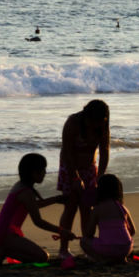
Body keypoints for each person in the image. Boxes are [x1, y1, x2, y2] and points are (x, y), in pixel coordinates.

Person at [0, 153, 74, 264]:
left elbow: (33, 205)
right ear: (33, 173)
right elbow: (38, 222)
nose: (45, 172)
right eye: (43, 169)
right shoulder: (26, 192)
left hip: (3, 233)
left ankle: (4, 250)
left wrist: (55, 199)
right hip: (6, 235)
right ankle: (3, 251)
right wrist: (62, 231)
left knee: (39, 257)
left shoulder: (21, 185)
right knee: (42, 258)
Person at [56, 99, 110, 263]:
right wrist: (74, 177)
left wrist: (100, 176)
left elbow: (104, 150)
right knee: (70, 207)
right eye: (94, 122)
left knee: (88, 209)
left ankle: (88, 246)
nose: (96, 126)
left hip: (89, 169)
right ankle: (63, 249)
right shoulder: (72, 123)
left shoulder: (102, 124)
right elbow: (66, 151)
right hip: (69, 167)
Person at [81, 174, 136, 264]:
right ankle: (121, 258)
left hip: (108, 248)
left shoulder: (97, 209)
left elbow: (89, 233)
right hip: (126, 248)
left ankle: (101, 259)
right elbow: (133, 231)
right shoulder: (122, 208)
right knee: (119, 244)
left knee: (83, 241)